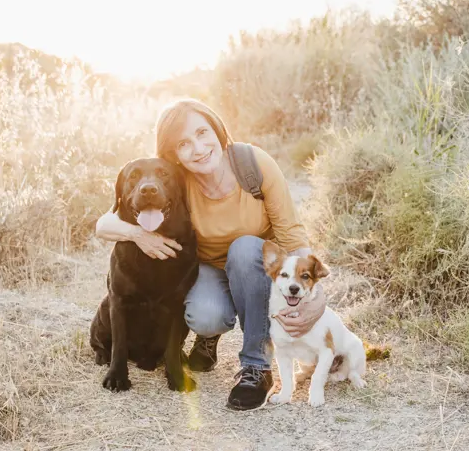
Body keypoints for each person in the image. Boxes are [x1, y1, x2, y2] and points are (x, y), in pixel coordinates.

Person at [95, 98, 326, 411]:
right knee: (205, 315)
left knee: (244, 248)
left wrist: (315, 297)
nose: (199, 148)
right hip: (211, 272)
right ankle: (209, 337)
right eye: (184, 144)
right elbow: (105, 223)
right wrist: (137, 234)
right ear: (173, 154)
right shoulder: (177, 182)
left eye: (203, 133)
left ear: (218, 130)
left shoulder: (253, 165)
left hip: (255, 269)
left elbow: (292, 234)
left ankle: (257, 367)